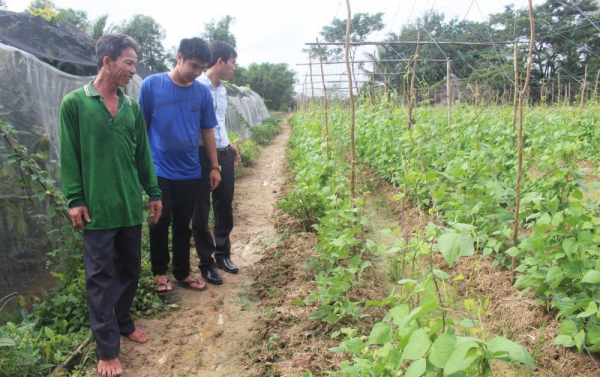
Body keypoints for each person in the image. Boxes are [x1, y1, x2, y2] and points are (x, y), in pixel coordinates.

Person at [59, 33, 163, 377]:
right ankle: (107, 350)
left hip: (129, 206)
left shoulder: (131, 107)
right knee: (101, 278)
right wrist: (75, 199)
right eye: (129, 62)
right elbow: (69, 156)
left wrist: (153, 191)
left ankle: (123, 321)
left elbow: (142, 155)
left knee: (130, 270)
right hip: (97, 211)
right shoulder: (75, 103)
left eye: (134, 63)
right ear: (107, 61)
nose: (133, 70)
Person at [138, 37, 221, 294]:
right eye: (193, 66)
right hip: (159, 169)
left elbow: (207, 131)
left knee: (184, 224)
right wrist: (141, 166)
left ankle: (182, 272)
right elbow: (143, 127)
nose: (196, 73)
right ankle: (160, 273)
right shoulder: (152, 85)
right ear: (179, 57)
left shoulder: (201, 92)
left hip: (189, 170)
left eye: (200, 68)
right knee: (159, 221)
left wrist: (215, 167)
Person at [193, 41, 241, 285]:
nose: (234, 67)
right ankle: (206, 262)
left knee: (224, 206)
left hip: (222, 153)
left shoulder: (222, 90)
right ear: (219, 61)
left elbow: (218, 123)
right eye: (232, 61)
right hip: (201, 156)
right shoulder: (196, 86)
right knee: (200, 210)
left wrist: (229, 144)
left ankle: (223, 254)